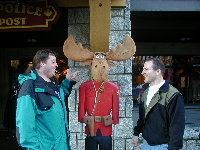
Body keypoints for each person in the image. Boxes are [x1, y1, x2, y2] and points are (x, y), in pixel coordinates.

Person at [16, 49, 79, 150]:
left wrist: (68, 81)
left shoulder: (52, 84)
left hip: (61, 145)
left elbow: (61, 95)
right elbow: (24, 123)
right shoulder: (29, 86)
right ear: (42, 63)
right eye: (53, 62)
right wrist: (31, 148)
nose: (56, 65)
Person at [132, 58, 185, 150]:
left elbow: (177, 126)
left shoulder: (173, 95)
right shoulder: (145, 92)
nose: (142, 72)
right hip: (145, 144)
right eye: (143, 69)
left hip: (164, 146)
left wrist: (173, 148)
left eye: (146, 69)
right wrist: (136, 134)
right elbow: (142, 118)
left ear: (157, 71)